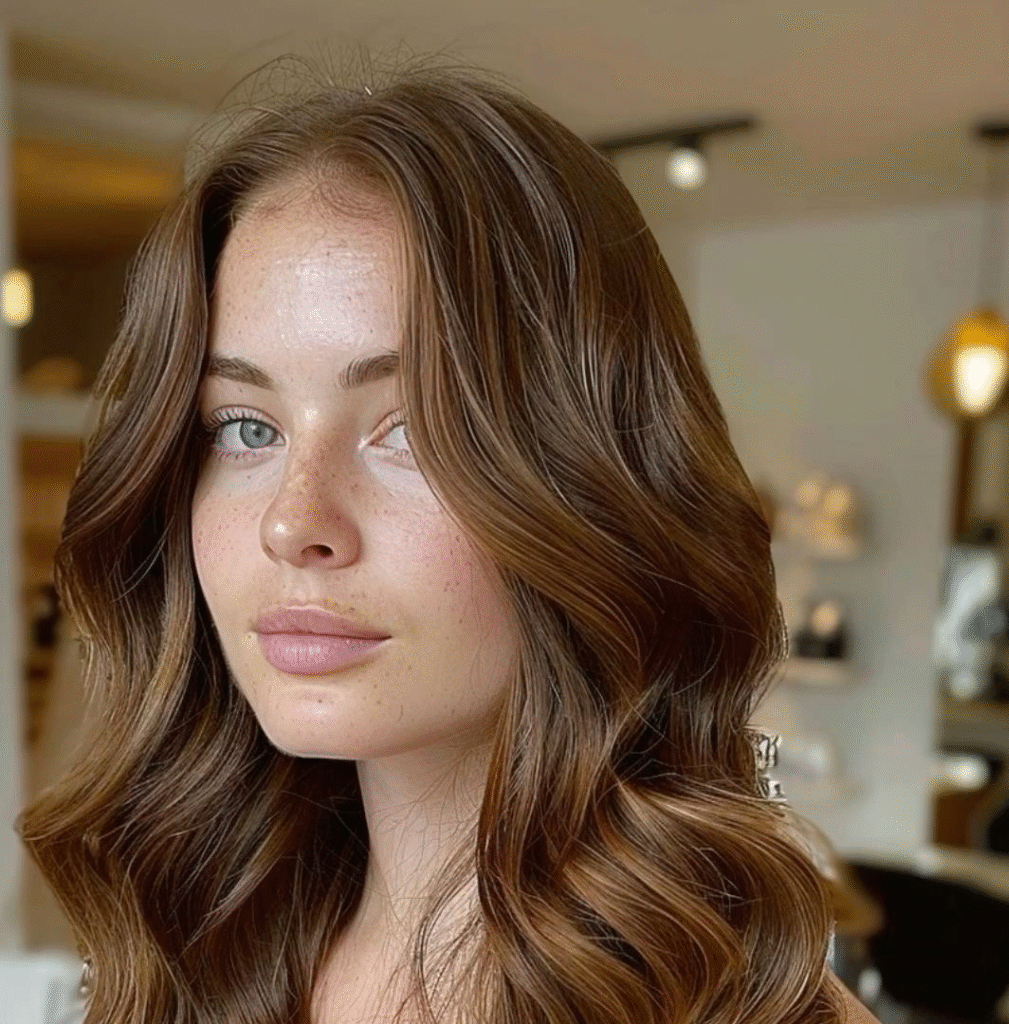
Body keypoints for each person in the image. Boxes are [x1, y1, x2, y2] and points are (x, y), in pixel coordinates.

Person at [17, 54, 880, 1024]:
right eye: (246, 427)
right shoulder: (185, 960)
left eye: (414, 430)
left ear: (593, 484)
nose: (293, 522)